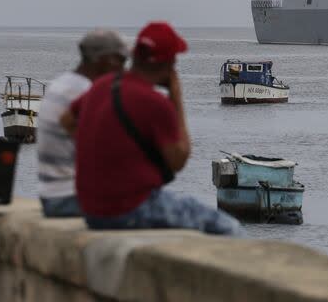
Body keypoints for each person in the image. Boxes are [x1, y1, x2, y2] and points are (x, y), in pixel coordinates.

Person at [61, 22, 241, 235]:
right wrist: (176, 97)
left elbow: (66, 120)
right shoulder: (155, 103)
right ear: (169, 63)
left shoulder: (104, 84)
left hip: (92, 210)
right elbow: (178, 160)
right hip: (131, 209)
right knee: (230, 228)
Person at [38, 30, 128, 217]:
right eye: (121, 60)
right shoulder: (87, 92)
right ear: (105, 60)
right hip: (72, 199)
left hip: (51, 195)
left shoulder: (59, 84)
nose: (124, 69)